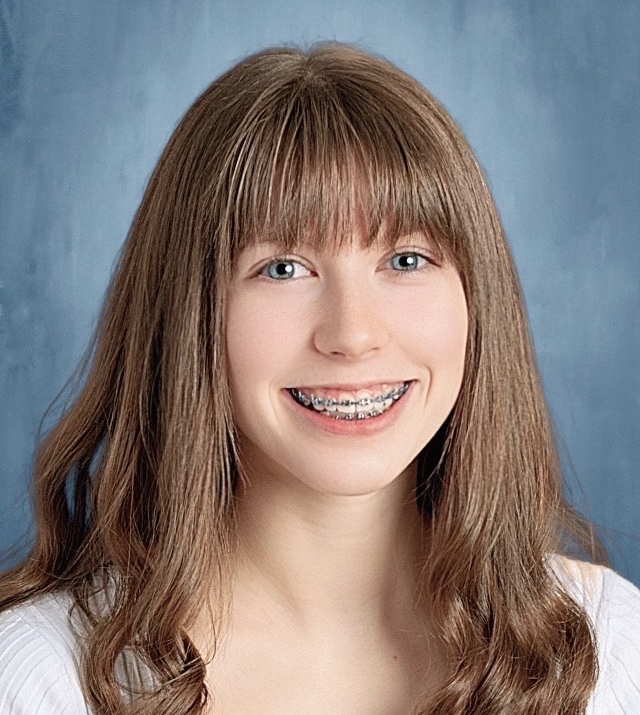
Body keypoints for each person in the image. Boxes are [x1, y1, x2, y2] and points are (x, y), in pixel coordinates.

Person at [0, 43, 638, 715]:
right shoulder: (39, 681)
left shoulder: (609, 655)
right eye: (283, 269)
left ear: (479, 298)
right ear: (186, 316)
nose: (354, 334)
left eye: (406, 259)